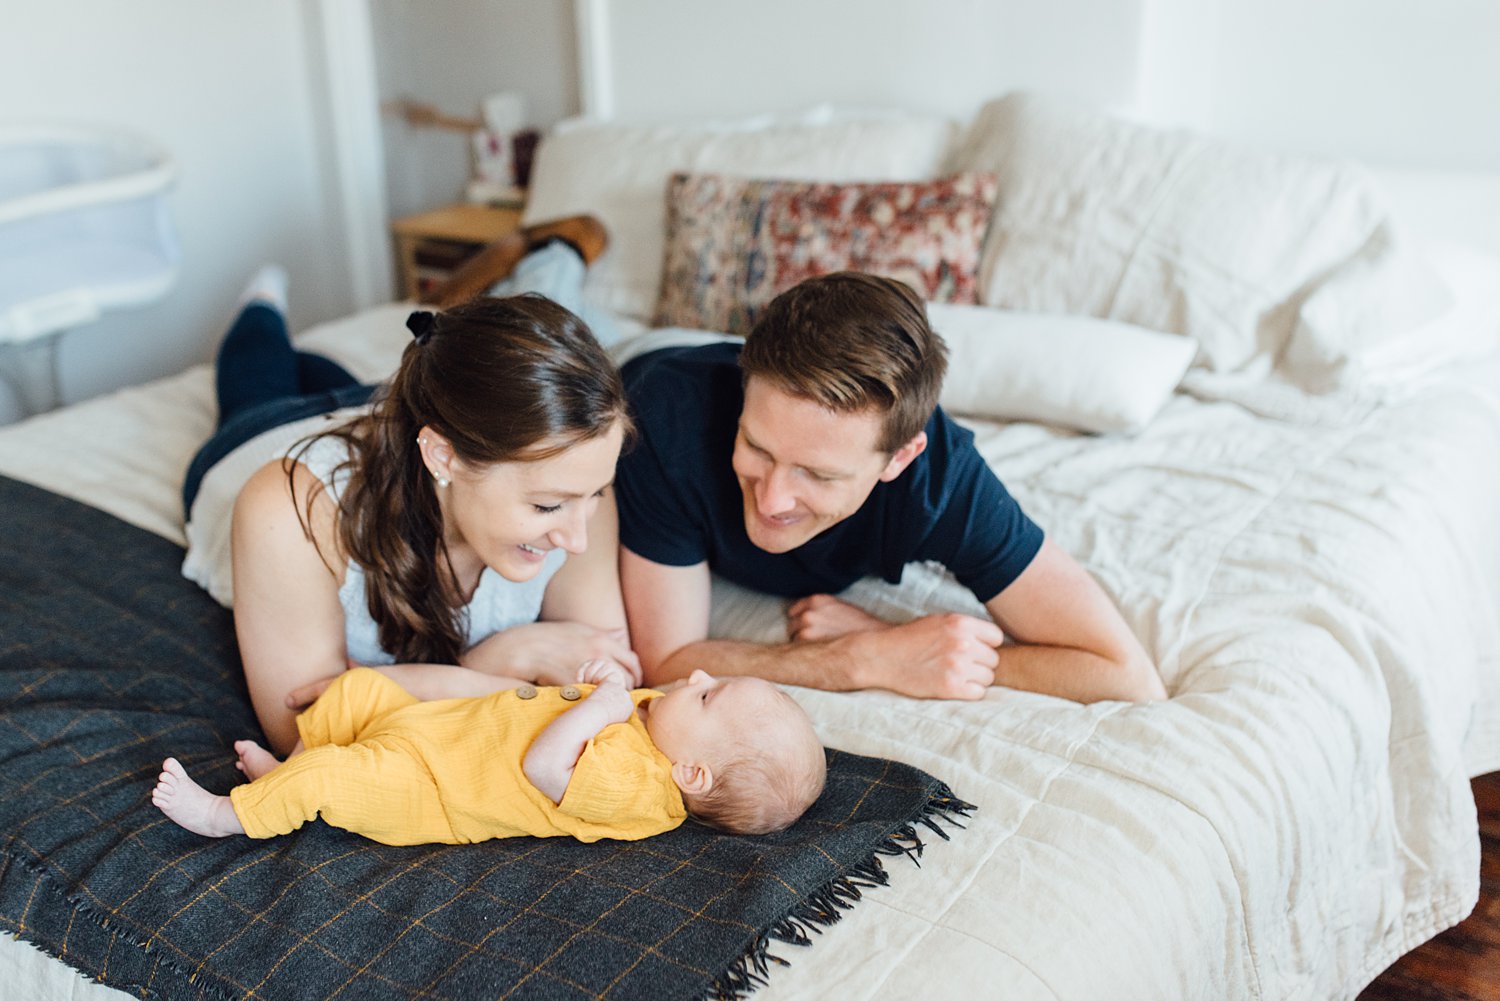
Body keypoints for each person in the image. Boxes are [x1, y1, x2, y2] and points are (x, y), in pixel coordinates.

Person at [182, 217, 644, 756]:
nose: (577, 539)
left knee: (341, 379)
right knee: (257, 384)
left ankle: (403, 345)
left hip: (398, 425)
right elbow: (309, 739)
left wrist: (398, 692)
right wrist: (496, 662)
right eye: (546, 506)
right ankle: (261, 304)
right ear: (443, 456)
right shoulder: (288, 512)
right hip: (259, 439)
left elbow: (610, 695)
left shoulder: (577, 485)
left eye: (594, 496)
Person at [615, 272, 1167, 704]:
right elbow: (667, 661)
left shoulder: (945, 484)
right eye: (757, 448)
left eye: (819, 474)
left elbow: (1124, 673)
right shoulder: (663, 421)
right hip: (644, 361)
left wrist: (906, 643)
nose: (773, 499)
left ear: (900, 458)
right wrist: (860, 659)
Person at [150, 660, 827, 843]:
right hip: (438, 728)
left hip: (434, 790)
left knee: (339, 774)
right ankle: (288, 770)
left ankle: (227, 815)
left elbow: (546, 765)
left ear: (692, 773)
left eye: (710, 697)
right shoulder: (659, 719)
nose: (699, 678)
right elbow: (586, 698)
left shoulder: (643, 791)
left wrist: (598, 704)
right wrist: (596, 682)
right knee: (358, 690)